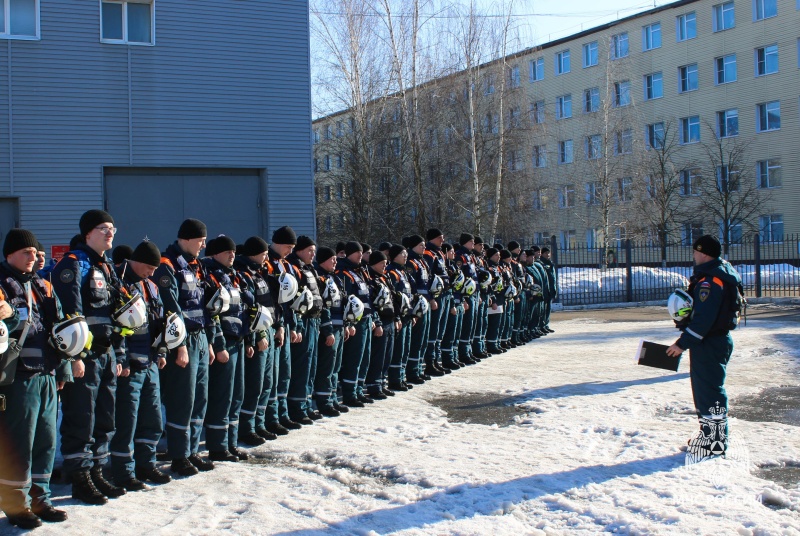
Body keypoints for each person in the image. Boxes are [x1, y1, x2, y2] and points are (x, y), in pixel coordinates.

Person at [51, 209, 127, 504]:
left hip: (106, 355)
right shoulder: (74, 264)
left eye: (112, 228)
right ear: (88, 233)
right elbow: (70, 315)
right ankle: (80, 479)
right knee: (82, 417)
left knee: (105, 417)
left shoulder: (106, 267)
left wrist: (118, 352)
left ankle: (97, 471)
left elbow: (115, 314)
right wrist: (75, 357)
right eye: (103, 228)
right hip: (86, 357)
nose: (110, 233)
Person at [0, 229, 70, 528]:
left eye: (34, 252)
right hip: (18, 378)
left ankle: (41, 499)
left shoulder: (44, 285)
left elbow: (60, 327)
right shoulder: (2, 285)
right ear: (9, 254)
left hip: (47, 374)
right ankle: (16, 505)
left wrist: (64, 369)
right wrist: (10, 315)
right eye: (26, 252)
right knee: (19, 443)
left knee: (46, 440)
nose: (33, 256)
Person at [666, 235, 742, 456]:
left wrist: (681, 344)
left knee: (710, 393)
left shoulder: (710, 281)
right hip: (712, 341)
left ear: (704, 254)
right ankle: (709, 435)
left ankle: (715, 442)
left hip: (709, 342)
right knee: (705, 392)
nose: (694, 255)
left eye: (696, 251)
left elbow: (703, 321)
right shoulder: (717, 274)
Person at [153, 218, 215, 476]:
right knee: (183, 399)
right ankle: (179, 455)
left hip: (199, 338)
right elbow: (172, 308)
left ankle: (191, 451)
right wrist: (180, 346)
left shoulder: (194, 265)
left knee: (199, 398)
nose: (203, 245)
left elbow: (202, 306)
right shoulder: (167, 266)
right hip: (183, 339)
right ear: (187, 239)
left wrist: (209, 342)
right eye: (201, 240)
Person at [110, 240, 172, 489]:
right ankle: (124, 471)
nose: (152, 272)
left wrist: (162, 351)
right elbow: (115, 326)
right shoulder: (119, 283)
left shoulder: (151, 287)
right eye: (149, 267)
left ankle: (147, 464)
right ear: (137, 262)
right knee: (127, 421)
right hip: (130, 367)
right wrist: (121, 358)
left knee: (152, 419)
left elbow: (160, 321)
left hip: (150, 363)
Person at [202, 235, 255, 462]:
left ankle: (231, 442)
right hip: (225, 343)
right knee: (222, 396)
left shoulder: (233, 277)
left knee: (236, 394)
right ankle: (218, 446)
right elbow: (211, 315)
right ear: (215, 254)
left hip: (238, 340)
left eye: (233, 251)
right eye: (227, 252)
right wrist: (219, 345)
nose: (232, 255)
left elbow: (243, 310)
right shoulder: (210, 276)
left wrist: (248, 339)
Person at [235, 236, 279, 444]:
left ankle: (259, 423)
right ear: (253, 254)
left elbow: (269, 304)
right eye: (263, 254)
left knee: (266, 382)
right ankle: (247, 427)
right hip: (257, 334)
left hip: (268, 330)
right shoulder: (245, 275)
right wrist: (256, 337)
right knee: (254, 384)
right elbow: (250, 309)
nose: (266, 258)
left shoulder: (259, 273)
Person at [286, 236, 324, 424]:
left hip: (314, 321)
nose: (313, 254)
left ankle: (307, 404)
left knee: (311, 365)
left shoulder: (310, 269)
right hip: (304, 321)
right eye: (310, 250)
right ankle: (297, 407)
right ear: (299, 250)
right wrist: (297, 326)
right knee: (302, 366)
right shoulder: (295, 268)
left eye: (314, 251)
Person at [336, 241, 374, 406]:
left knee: (364, 358)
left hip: (366, 319)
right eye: (357, 252)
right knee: (353, 358)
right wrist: (349, 324)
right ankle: (349, 393)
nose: (360, 255)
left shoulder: (360, 271)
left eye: (361, 252)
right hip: (355, 322)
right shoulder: (345, 273)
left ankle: (358, 389)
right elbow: (347, 299)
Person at [313, 247, 348, 415]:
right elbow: (324, 307)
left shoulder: (334, 278)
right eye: (331, 259)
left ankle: (332, 398)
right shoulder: (320, 278)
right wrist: (327, 330)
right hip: (329, 328)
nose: (335, 261)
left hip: (339, 326)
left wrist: (346, 325)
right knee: (326, 367)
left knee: (336, 366)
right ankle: (324, 401)